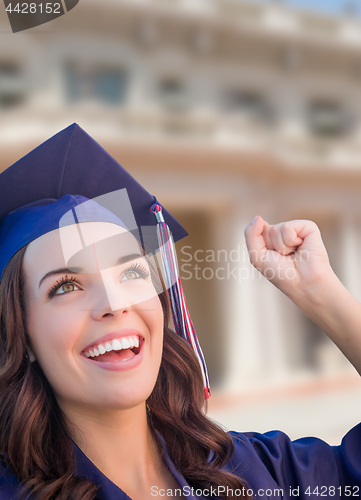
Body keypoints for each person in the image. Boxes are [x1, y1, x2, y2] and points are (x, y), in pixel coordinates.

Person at [0, 124, 359, 500]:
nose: (114, 303)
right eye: (66, 286)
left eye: (132, 272)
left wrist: (321, 294)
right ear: (23, 335)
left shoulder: (253, 471)